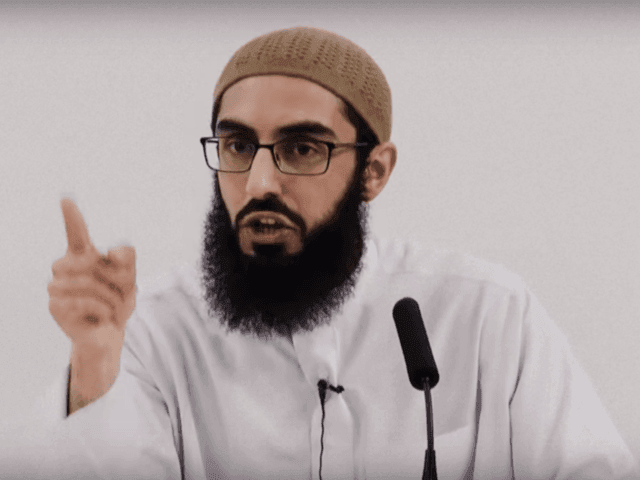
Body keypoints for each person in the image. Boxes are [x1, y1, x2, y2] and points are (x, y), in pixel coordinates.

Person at [31, 26, 638, 479]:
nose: (260, 182)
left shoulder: (486, 315)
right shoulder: (156, 330)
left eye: (301, 149)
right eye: (238, 146)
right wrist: (95, 360)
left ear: (374, 171)